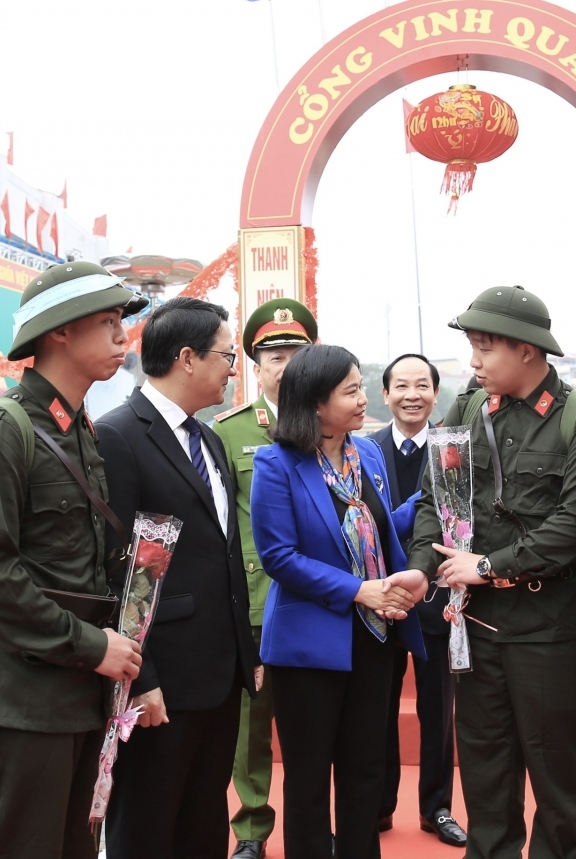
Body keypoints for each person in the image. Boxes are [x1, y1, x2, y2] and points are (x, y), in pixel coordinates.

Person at [0, 261, 147, 858]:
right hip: (22, 704)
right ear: (59, 330)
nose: (122, 337)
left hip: (80, 696)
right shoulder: (3, 429)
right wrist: (93, 647)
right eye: (109, 322)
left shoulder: (79, 429)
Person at [408, 286, 576, 859]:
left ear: (527, 350)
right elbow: (435, 498)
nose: (473, 361)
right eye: (471, 347)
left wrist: (491, 565)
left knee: (559, 780)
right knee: (486, 774)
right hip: (477, 629)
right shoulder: (469, 409)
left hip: (549, 630)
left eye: (483, 348)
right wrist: (424, 569)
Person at [96, 297, 261, 858]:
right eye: (226, 354)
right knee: (146, 824)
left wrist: (245, 653)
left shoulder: (208, 437)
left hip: (217, 673)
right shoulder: (119, 435)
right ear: (187, 358)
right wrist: (141, 680)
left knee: (202, 822)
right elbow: (116, 569)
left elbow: (222, 555)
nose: (232, 368)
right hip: (161, 674)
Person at [251, 344, 428, 859]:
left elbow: (377, 530)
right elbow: (278, 557)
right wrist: (357, 589)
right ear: (315, 401)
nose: (363, 397)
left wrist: (430, 494)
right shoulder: (276, 463)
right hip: (309, 645)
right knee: (308, 778)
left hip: (374, 637)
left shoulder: (366, 453)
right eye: (350, 389)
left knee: (365, 767)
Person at [214, 297, 318, 859]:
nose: (284, 364)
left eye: (295, 352)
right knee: (250, 726)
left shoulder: (333, 427)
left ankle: (311, 822)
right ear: (255, 364)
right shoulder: (228, 434)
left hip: (322, 602)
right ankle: (251, 829)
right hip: (257, 600)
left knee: (314, 725)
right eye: (272, 354)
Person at [371, 354, 466, 847]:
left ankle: (438, 808)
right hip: (381, 601)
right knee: (378, 710)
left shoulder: (453, 452)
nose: (413, 394)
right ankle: (379, 806)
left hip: (436, 602)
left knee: (438, 711)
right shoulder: (364, 451)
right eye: (402, 385)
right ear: (384, 394)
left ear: (435, 393)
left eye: (423, 385)